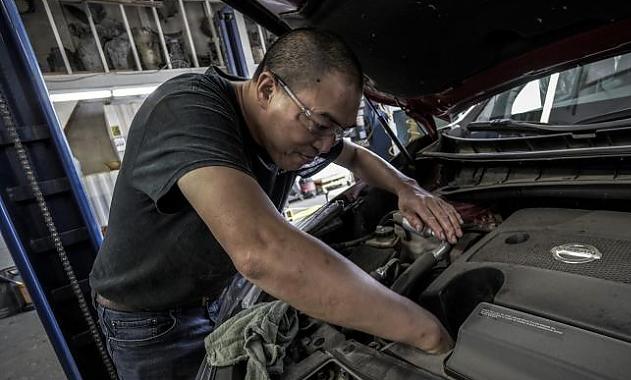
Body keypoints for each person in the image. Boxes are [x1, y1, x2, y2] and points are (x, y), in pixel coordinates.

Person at [89, 29, 461, 379]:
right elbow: (260, 252)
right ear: (266, 89)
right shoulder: (185, 111)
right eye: (319, 125)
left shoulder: (289, 123)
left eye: (337, 130)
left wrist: (407, 187)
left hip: (223, 295)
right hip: (151, 322)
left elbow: (355, 157)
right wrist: (426, 332)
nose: (324, 144)